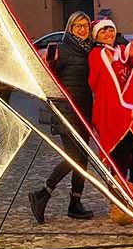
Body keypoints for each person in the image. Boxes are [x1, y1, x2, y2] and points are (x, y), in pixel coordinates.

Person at [28, 12, 96, 222]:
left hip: (85, 109)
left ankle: (75, 202)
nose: (82, 29)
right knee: (74, 157)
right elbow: (48, 76)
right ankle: (43, 193)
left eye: (85, 25)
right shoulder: (62, 49)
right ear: (70, 28)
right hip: (67, 110)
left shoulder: (90, 49)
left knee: (83, 158)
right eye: (78, 26)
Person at [86, 18, 133, 187]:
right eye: (103, 31)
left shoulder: (123, 51)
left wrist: (132, 58)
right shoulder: (96, 54)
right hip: (114, 114)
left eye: (110, 29)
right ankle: (119, 194)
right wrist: (107, 64)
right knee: (120, 158)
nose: (108, 33)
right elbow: (95, 82)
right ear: (96, 36)